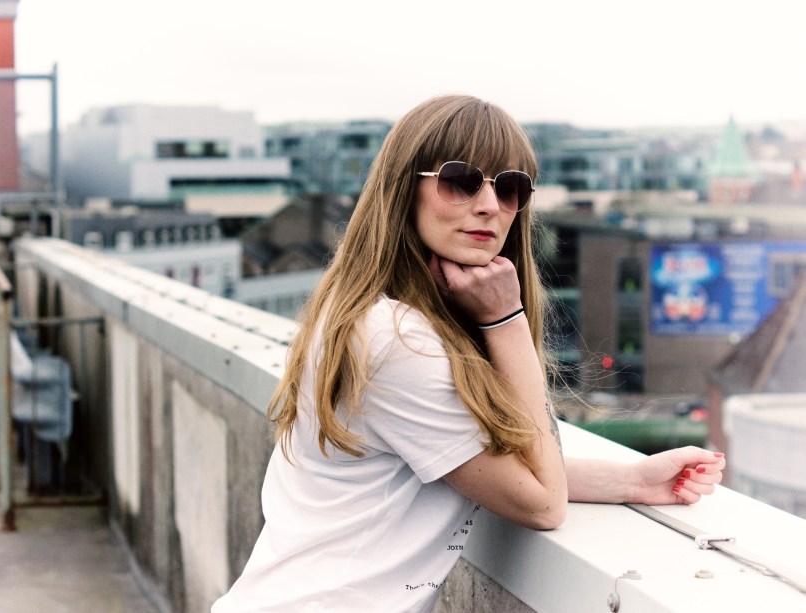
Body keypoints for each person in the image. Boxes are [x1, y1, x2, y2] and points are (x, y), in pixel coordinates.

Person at [211, 95, 725, 613]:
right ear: (404, 190)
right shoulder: (396, 339)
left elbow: (490, 463)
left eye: (511, 187)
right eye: (460, 180)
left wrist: (635, 480)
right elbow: (542, 503)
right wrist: (506, 321)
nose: (489, 205)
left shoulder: (370, 313)